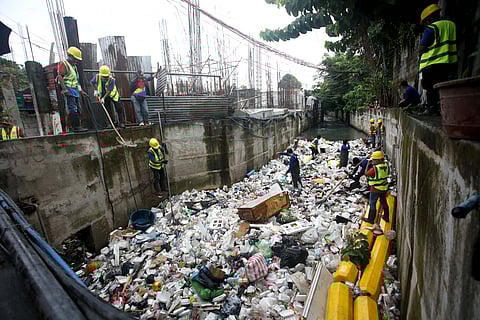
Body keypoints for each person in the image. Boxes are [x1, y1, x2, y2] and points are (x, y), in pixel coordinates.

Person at [418, 4, 457, 114]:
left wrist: (421, 53)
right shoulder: (452, 25)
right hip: (449, 61)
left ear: (429, 19)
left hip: (432, 63)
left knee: (430, 87)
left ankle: (432, 109)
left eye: (425, 22)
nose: (425, 24)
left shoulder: (431, 28)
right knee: (444, 86)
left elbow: (422, 48)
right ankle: (445, 108)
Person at [57, 46, 88, 132]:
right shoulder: (64, 64)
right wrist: (64, 89)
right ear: (70, 56)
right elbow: (60, 77)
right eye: (75, 59)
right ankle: (75, 127)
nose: (76, 61)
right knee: (72, 108)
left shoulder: (74, 67)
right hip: (69, 88)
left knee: (78, 108)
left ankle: (78, 126)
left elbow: (76, 81)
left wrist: (81, 91)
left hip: (75, 89)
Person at [363, 151, 390, 224]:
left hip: (375, 189)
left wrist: (368, 164)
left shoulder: (375, 168)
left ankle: (371, 219)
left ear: (379, 160)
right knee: (384, 202)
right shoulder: (386, 165)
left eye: (374, 160)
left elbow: (366, 174)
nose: (373, 161)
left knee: (372, 203)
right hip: (384, 188)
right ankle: (386, 217)